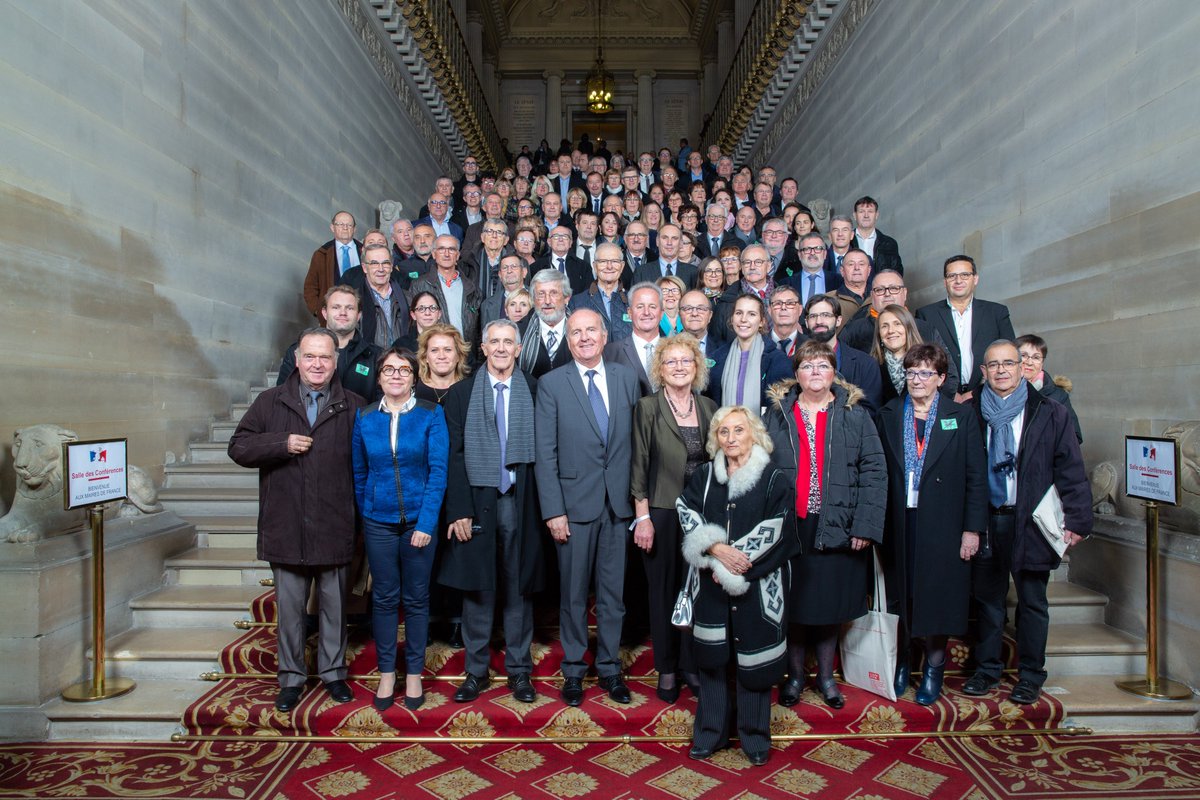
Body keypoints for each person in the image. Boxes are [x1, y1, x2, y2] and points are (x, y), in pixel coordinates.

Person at [229, 328, 366, 712]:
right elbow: (238, 446)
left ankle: (333, 673)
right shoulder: (271, 401)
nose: (317, 364)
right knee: (290, 612)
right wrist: (281, 443)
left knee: (334, 609)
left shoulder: (354, 405)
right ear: (297, 359)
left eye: (325, 357)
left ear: (335, 361)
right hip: (286, 524)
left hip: (334, 523)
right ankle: (291, 678)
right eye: (310, 356)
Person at [964, 340, 1092, 705]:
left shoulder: (1050, 412)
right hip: (987, 519)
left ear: (1023, 368)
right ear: (984, 371)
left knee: (1033, 601)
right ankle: (987, 669)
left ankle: (1031, 675)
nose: (1001, 370)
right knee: (987, 601)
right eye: (994, 364)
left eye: (1009, 363)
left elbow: (1070, 467)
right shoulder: (970, 412)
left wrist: (1078, 518)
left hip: (1030, 521)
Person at [764, 340, 887, 709]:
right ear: (796, 374)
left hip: (839, 522)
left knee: (830, 604)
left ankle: (827, 678)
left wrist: (865, 525)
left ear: (834, 373)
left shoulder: (855, 415)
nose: (815, 372)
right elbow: (760, 469)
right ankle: (795, 677)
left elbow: (874, 471)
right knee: (795, 604)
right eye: (807, 366)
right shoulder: (776, 415)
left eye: (822, 365)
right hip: (792, 524)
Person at [677, 406, 795, 766]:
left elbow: (778, 528)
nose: (731, 438)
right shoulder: (705, 476)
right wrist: (715, 550)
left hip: (758, 584)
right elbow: (686, 510)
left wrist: (735, 562)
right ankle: (709, 734)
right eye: (723, 431)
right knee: (712, 661)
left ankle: (755, 737)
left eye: (739, 430)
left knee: (755, 664)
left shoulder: (773, 478)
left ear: (753, 434)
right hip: (710, 584)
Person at [535, 308, 640, 707]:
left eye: (590, 330)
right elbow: (545, 453)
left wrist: (639, 506)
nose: (584, 338)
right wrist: (553, 511)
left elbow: (637, 446)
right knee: (574, 595)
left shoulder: (626, 378)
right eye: (576, 332)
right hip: (573, 507)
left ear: (604, 334)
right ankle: (575, 669)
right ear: (568, 339)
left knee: (614, 595)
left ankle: (611, 668)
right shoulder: (551, 384)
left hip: (618, 505)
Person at [877, 343, 988, 704]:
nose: (917, 380)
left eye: (925, 373)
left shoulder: (961, 416)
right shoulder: (889, 413)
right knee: (902, 594)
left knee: (938, 596)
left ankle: (934, 668)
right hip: (900, 521)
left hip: (945, 524)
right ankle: (902, 662)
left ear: (940, 378)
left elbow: (976, 476)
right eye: (911, 372)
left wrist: (972, 529)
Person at [440, 319, 544, 704]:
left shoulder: (535, 389)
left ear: (518, 348)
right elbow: (453, 456)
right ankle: (476, 671)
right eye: (494, 341)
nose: (501, 348)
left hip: (521, 500)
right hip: (477, 501)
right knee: (478, 588)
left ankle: (519, 670)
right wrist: (459, 510)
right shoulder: (461, 393)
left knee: (519, 587)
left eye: (508, 342)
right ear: (483, 348)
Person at [352, 346, 449, 711]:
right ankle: (386, 673)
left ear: (414, 377)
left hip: (418, 525)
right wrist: (368, 513)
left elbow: (438, 472)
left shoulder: (430, 414)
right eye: (389, 369)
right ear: (379, 378)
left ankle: (414, 674)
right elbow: (359, 473)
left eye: (404, 369)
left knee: (417, 599)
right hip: (378, 522)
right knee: (384, 598)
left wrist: (426, 523)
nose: (396, 375)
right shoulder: (364, 417)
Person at [631, 335, 716, 702]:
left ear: (696, 367)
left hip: (701, 515)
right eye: (671, 361)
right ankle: (667, 668)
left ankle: (690, 665)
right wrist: (642, 517)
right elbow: (639, 464)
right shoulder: (648, 407)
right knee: (663, 591)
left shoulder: (709, 407)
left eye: (686, 361)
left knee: (696, 591)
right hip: (663, 513)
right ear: (660, 369)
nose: (679, 367)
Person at [916, 255, 1015, 401]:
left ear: (975, 279)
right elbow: (921, 360)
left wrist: (978, 391)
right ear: (945, 282)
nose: (958, 280)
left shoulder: (996, 312)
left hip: (989, 394)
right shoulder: (926, 314)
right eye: (952, 276)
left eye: (965, 275)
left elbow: (1011, 357)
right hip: (942, 396)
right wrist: (949, 391)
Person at [276, 286, 381, 401]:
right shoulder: (297, 351)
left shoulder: (375, 356)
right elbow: (282, 396)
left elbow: (382, 402)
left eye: (350, 308)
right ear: (324, 313)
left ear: (359, 315)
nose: (343, 313)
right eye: (336, 307)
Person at [707, 294, 792, 416]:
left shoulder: (778, 361)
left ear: (762, 321)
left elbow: (782, 412)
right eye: (738, 313)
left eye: (751, 314)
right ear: (732, 318)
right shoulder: (717, 358)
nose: (743, 319)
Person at [407, 235, 483, 352]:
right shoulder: (419, 285)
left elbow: (478, 329)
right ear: (434, 254)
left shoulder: (471, 288)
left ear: (457, 255)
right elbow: (413, 325)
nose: (446, 254)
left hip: (465, 354)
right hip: (434, 354)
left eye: (451, 249)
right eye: (441, 249)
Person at [871, 304, 960, 403]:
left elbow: (950, 382)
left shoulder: (930, 357)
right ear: (879, 333)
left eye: (897, 324)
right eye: (884, 326)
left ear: (908, 328)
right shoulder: (871, 365)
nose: (891, 331)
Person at [1016, 334, 1082, 443]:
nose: (1029, 362)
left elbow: (1073, 437)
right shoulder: (1001, 390)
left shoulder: (1058, 396)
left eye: (1036, 357)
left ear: (1042, 363)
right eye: (1023, 355)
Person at [569, 242, 632, 342]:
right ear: (595, 266)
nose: (609, 266)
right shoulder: (577, 302)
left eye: (615, 261)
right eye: (603, 261)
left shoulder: (634, 300)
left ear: (622, 266)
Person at [519, 269, 575, 378]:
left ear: (566, 298)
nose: (547, 301)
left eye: (554, 293)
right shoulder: (518, 331)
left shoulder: (581, 330)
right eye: (541, 294)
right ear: (533, 299)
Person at [303, 211, 361, 316]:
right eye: (340, 224)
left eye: (349, 225)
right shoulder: (321, 254)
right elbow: (310, 286)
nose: (345, 228)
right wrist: (318, 311)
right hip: (332, 316)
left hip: (363, 312)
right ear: (332, 227)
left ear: (354, 229)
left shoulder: (365, 251)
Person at [851, 195, 903, 274]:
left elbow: (897, 273)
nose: (866, 215)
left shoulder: (889, 244)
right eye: (861, 211)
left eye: (870, 211)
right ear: (855, 216)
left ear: (876, 215)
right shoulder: (847, 241)